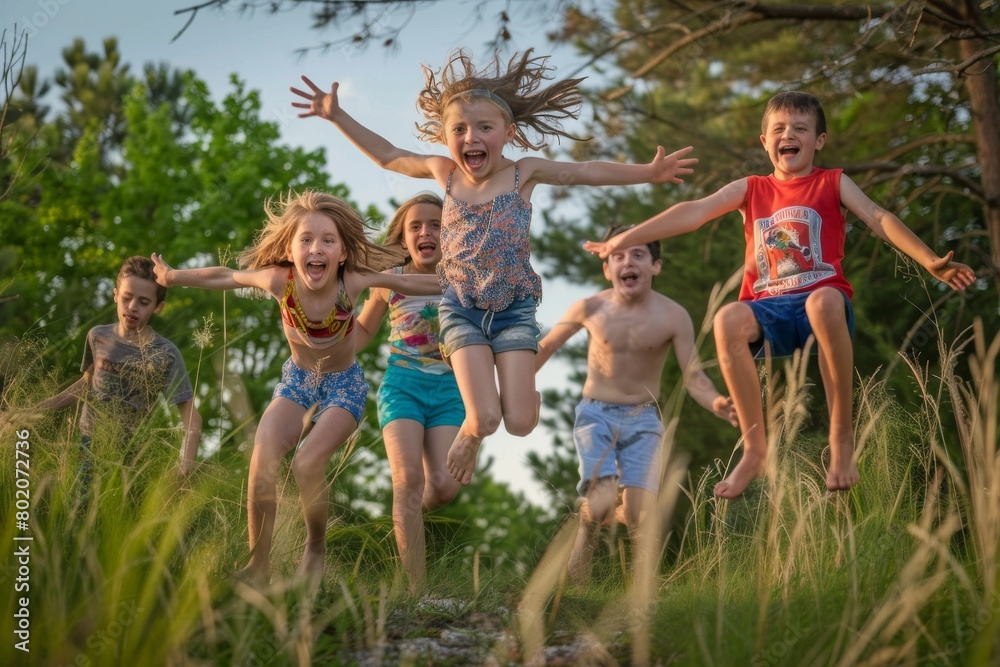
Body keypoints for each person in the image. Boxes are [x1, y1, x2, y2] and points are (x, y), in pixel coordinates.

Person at [291, 48, 698, 487]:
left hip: (513, 311)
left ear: (509, 132)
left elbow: (585, 171)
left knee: (520, 422)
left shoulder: (526, 172)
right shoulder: (443, 172)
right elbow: (389, 154)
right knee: (483, 417)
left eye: (484, 128)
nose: (471, 138)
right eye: (459, 129)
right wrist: (337, 116)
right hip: (461, 308)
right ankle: (472, 428)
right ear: (445, 135)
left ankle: (516, 401)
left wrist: (647, 173)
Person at [584, 91, 976, 500]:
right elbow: (695, 211)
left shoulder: (832, 181)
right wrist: (626, 239)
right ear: (764, 141)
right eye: (779, 129)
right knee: (727, 319)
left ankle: (841, 439)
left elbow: (878, 217)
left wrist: (929, 259)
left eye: (800, 129)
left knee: (822, 301)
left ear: (819, 141)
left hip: (821, 306)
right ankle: (755, 449)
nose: (789, 135)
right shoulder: (752, 189)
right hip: (768, 309)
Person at [152, 190, 440, 588]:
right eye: (305, 239)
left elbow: (413, 282)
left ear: (342, 253)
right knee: (263, 456)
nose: (315, 248)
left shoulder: (352, 280)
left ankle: (316, 545)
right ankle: (258, 564)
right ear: (290, 248)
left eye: (327, 240)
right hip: (297, 382)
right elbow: (224, 275)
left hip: (344, 386)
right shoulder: (278, 279)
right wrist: (172, 277)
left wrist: (474, 282)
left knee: (306, 463)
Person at [535, 226, 737, 584]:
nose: (628, 262)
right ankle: (577, 586)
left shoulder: (673, 316)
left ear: (655, 266)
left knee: (641, 516)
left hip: (643, 419)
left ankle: (641, 599)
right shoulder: (589, 307)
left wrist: (718, 401)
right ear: (607, 268)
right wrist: (505, 384)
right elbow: (546, 347)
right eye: (618, 256)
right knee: (599, 503)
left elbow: (694, 378)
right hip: (595, 413)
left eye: (639, 254)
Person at [353, 192, 462, 594]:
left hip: (451, 391)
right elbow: (363, 332)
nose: (425, 232)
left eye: (436, 225)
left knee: (445, 485)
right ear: (403, 236)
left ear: (451, 234)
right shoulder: (387, 282)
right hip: (402, 388)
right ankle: (417, 591)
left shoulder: (461, 277)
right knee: (407, 480)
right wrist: (327, 339)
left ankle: (405, 519)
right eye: (415, 226)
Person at [38, 256, 202, 484]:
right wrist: (38, 409)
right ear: (116, 295)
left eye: (144, 302)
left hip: (133, 456)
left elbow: (191, 416)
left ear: (158, 307)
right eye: (127, 298)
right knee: (80, 509)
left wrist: (186, 463)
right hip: (89, 444)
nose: (133, 307)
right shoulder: (98, 336)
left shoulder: (166, 354)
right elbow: (87, 384)